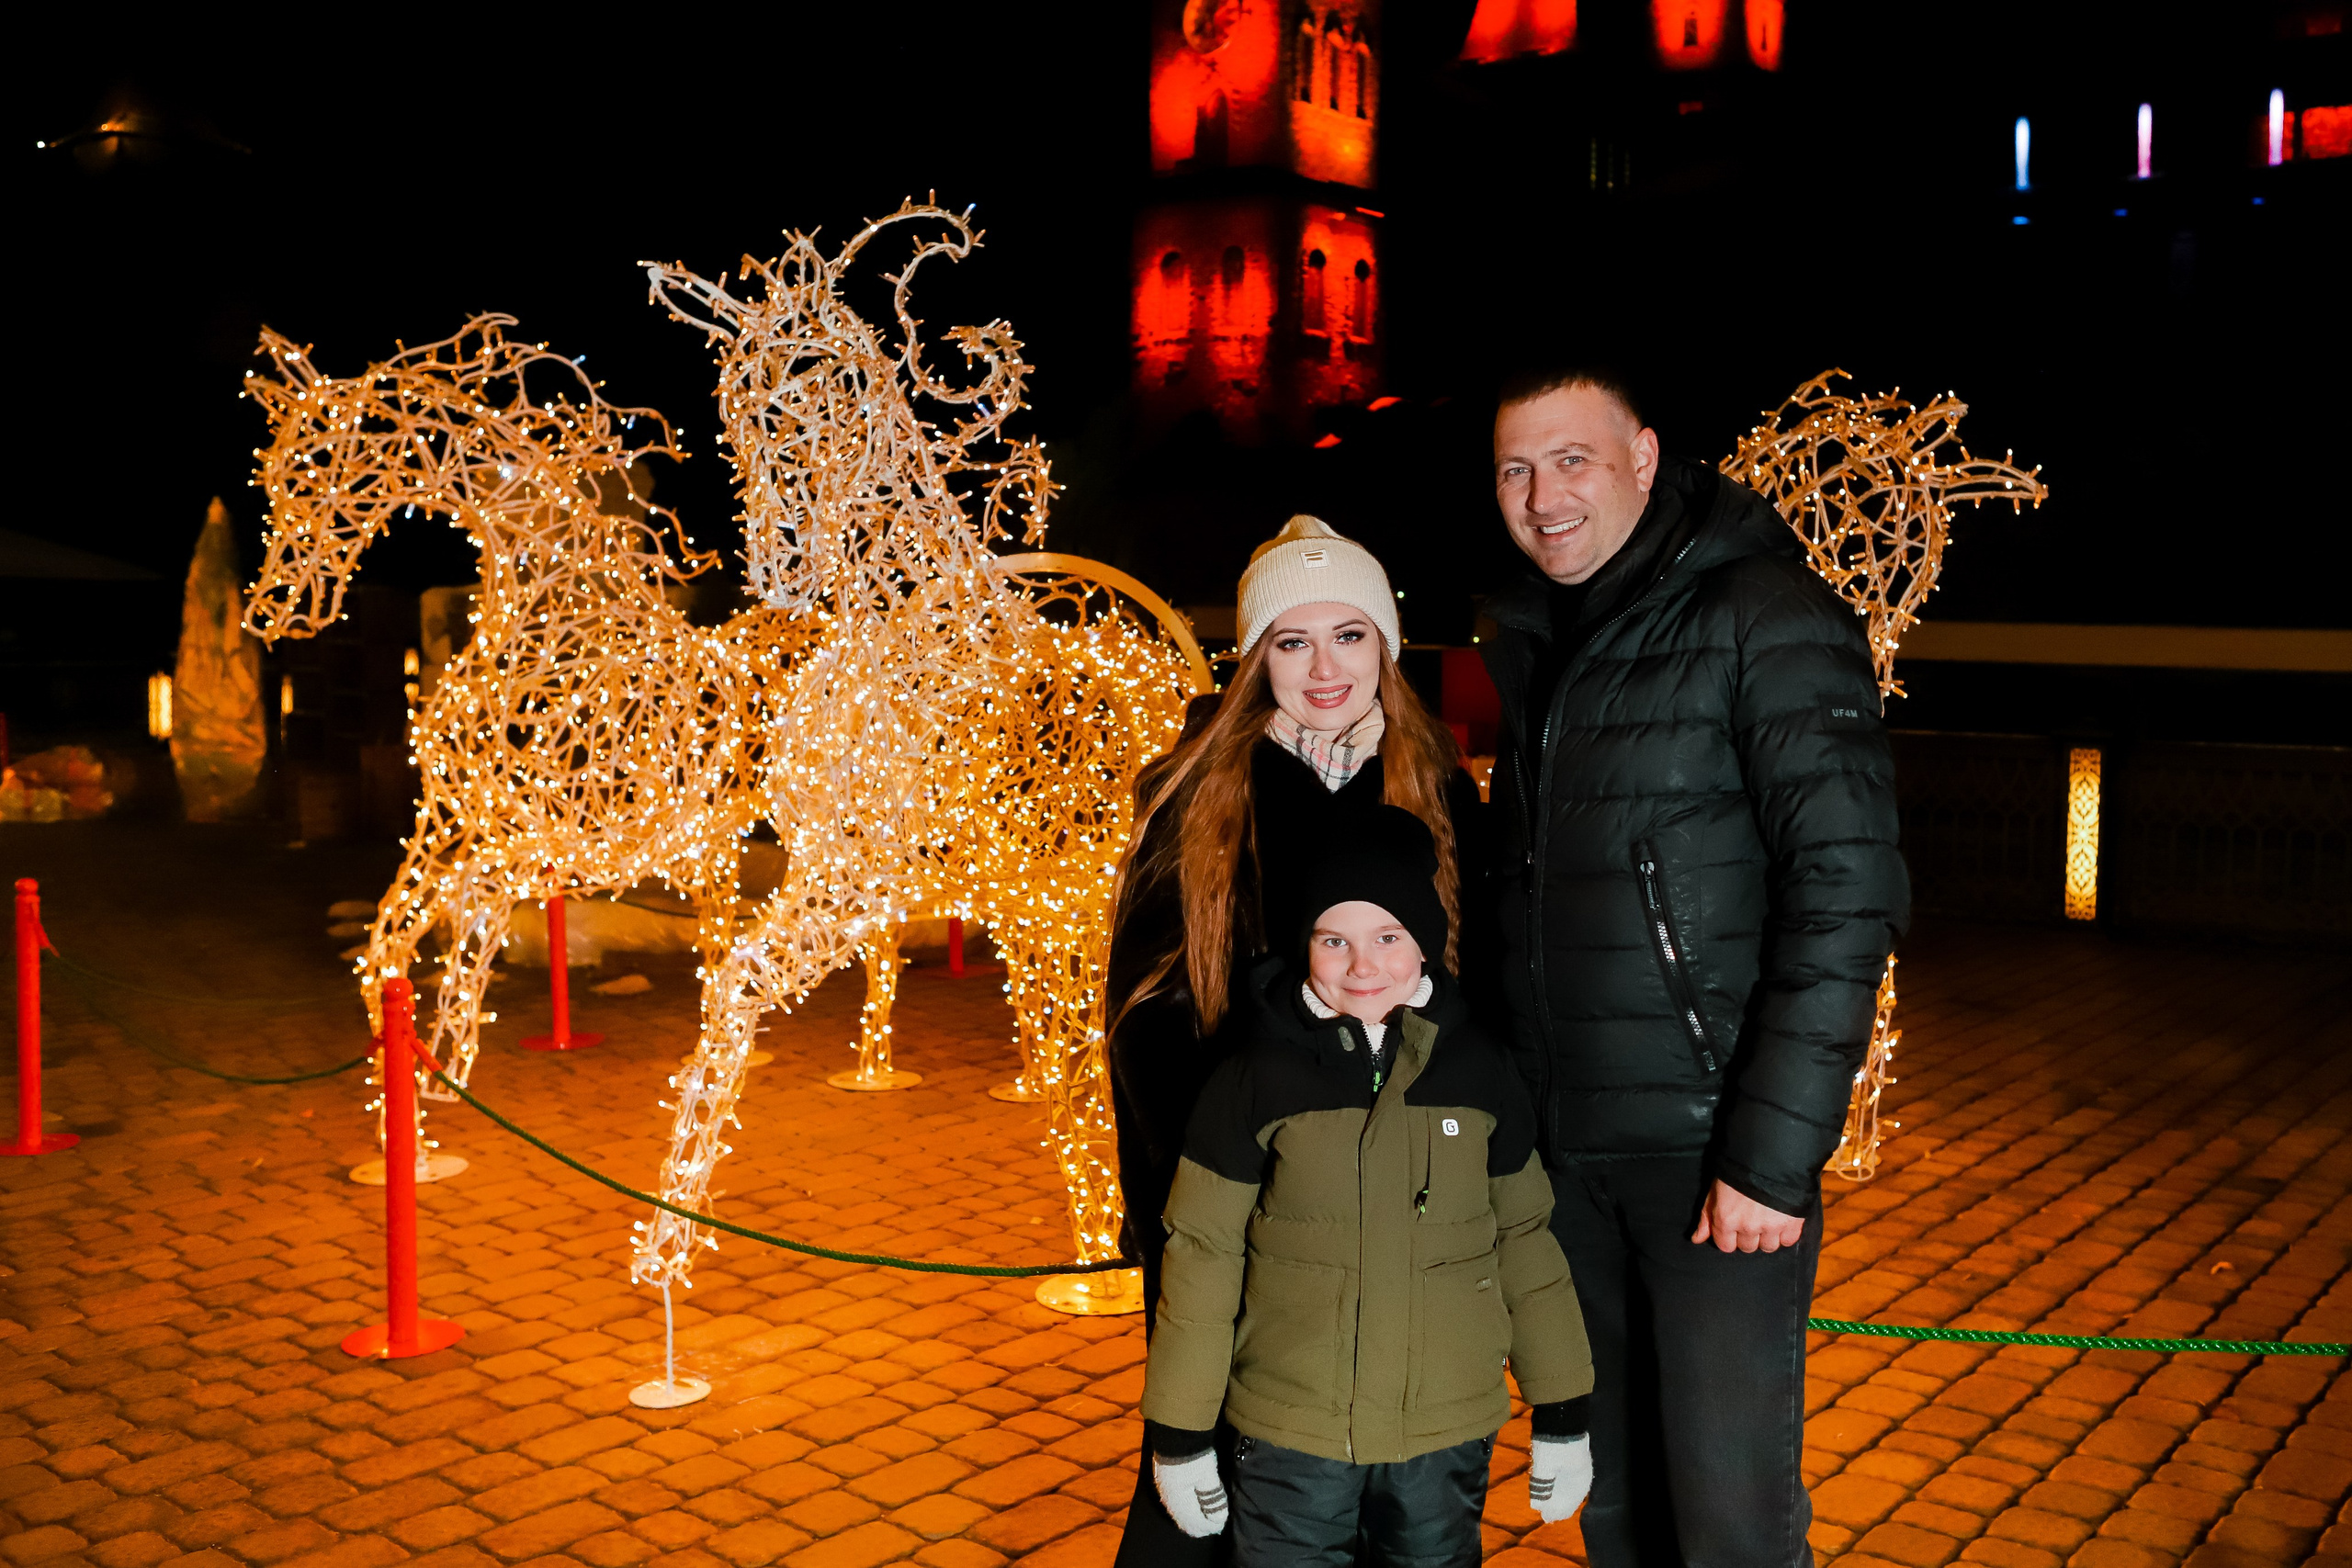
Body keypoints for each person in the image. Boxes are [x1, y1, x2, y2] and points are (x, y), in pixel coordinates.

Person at [1478, 365, 1909, 1567]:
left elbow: (1847, 887)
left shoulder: (1760, 610)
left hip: (1713, 1163)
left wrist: (1769, 1159)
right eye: (1516, 467)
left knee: (1727, 1519)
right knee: (1616, 1509)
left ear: (1647, 458)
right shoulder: (1537, 638)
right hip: (1567, 1161)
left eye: (1573, 459)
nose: (1542, 493)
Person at [1107, 514, 1487, 1568]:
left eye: (1350, 636)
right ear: (1255, 655)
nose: (1324, 669)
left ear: (1387, 645)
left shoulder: (1438, 786)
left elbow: (1472, 991)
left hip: (1400, 1212)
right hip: (1245, 1201)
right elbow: (1144, 1011)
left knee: (1387, 1481)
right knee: (1222, 1489)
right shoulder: (1197, 789)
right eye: (1291, 641)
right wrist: (1239, 1172)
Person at [1140, 807, 1592, 1568]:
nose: (1362, 966)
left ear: (1424, 940)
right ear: (1303, 943)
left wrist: (1563, 1408)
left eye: (1388, 937)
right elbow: (1204, 1252)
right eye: (1333, 939)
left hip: (1440, 1434)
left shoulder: (1480, 1069)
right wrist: (1180, 1433)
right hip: (1293, 1433)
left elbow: (1525, 1239)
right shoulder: (1255, 1077)